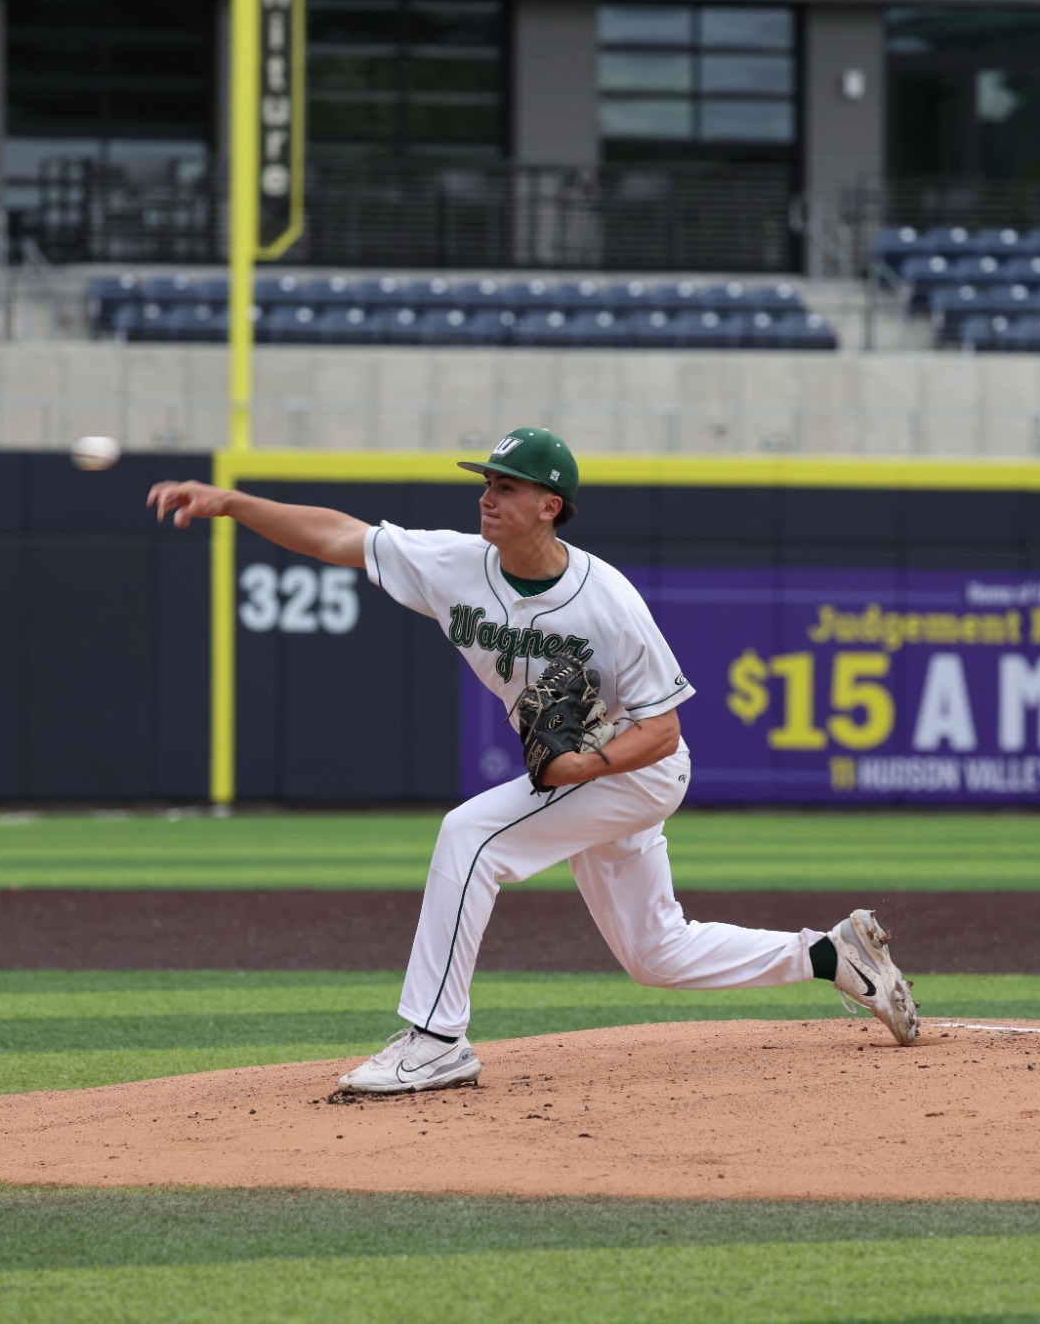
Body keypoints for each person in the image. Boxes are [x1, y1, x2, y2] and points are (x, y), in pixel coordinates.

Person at [148, 428, 919, 1094]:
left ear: (550, 505)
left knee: (470, 836)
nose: (487, 496)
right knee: (655, 952)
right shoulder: (453, 563)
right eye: (486, 481)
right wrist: (232, 503)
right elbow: (337, 535)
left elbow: (665, 731)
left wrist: (585, 767)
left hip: (638, 770)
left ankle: (434, 1040)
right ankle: (829, 953)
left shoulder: (607, 601)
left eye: (506, 486)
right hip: (591, 774)